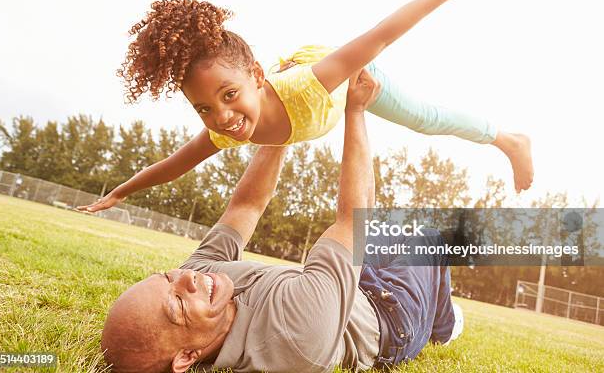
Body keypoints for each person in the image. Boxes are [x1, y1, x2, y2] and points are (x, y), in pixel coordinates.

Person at [78, 0, 533, 216]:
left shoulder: (311, 84)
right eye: (204, 109)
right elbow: (172, 165)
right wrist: (120, 192)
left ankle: (508, 138)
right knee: (259, 131)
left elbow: (381, 34)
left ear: (255, 77)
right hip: (288, 81)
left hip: (338, 73)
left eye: (229, 95)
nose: (220, 117)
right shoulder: (222, 129)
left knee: (425, 120)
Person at [101, 69, 461, 372]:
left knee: (390, 232)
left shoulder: (195, 275)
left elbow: (247, 206)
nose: (186, 280)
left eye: (167, 277)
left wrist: (280, 119)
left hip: (349, 286)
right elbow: (354, 220)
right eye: (178, 304)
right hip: (389, 317)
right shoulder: (293, 335)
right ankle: (442, 327)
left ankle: (440, 315)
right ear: (187, 357)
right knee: (425, 238)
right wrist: (355, 111)